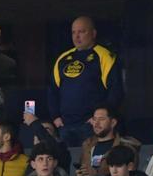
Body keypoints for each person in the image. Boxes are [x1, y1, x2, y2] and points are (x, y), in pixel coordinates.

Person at [48, 17, 124, 146]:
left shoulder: (104, 56)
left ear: (93, 33)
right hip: (65, 125)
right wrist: (55, 116)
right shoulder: (63, 58)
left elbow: (115, 90)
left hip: (91, 125)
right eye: (73, 32)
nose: (76, 36)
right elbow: (53, 90)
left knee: (90, 163)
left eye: (81, 32)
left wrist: (99, 119)